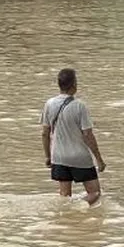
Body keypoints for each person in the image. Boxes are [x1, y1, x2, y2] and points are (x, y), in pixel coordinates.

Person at [40, 68, 107, 206]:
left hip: (58, 157)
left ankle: (67, 217)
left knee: (64, 197)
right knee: (94, 193)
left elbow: (45, 133)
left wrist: (48, 157)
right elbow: (88, 135)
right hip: (79, 157)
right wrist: (99, 159)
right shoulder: (80, 106)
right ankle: (78, 207)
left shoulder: (49, 104)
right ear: (74, 84)